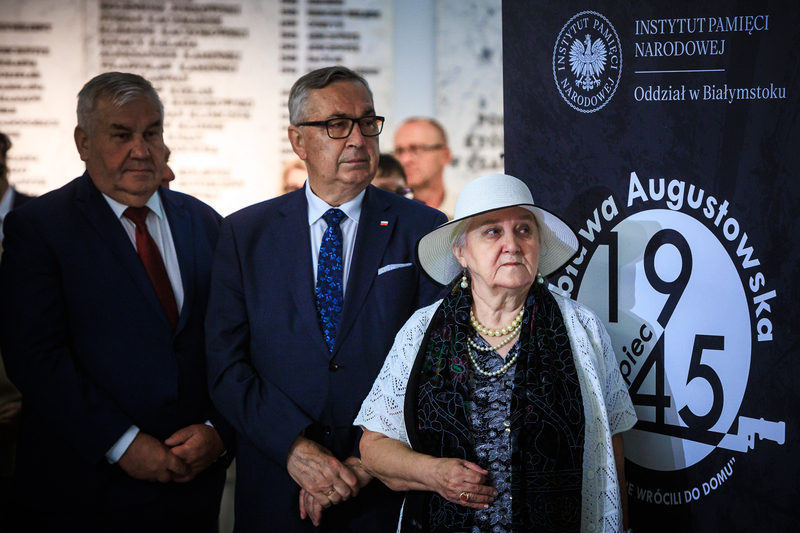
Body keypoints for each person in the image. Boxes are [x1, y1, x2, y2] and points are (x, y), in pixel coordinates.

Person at [205, 65, 448, 532]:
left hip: (383, 493)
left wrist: (365, 460)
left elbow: (435, 362)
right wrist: (294, 448)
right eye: (337, 125)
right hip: (279, 487)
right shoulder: (243, 234)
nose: (357, 139)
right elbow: (225, 363)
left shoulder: (424, 229)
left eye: (367, 122)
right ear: (298, 141)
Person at [0, 72, 234, 532]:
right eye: (121, 135)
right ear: (83, 141)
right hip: (84, 493)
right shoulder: (40, 229)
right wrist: (122, 442)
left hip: (193, 492)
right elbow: (35, 357)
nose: (141, 150)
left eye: (151, 133)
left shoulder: (206, 223)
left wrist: (219, 431)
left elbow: (232, 340)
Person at [355, 174, 637, 533]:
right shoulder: (421, 331)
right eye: (492, 232)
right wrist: (434, 473)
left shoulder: (582, 329)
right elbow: (374, 446)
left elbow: (610, 443)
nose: (512, 245)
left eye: (523, 230)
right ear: (461, 252)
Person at [393, 117, 454, 217]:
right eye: (399, 151)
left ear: (445, 155)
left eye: (416, 149)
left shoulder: (468, 214)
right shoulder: (387, 215)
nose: (405, 160)